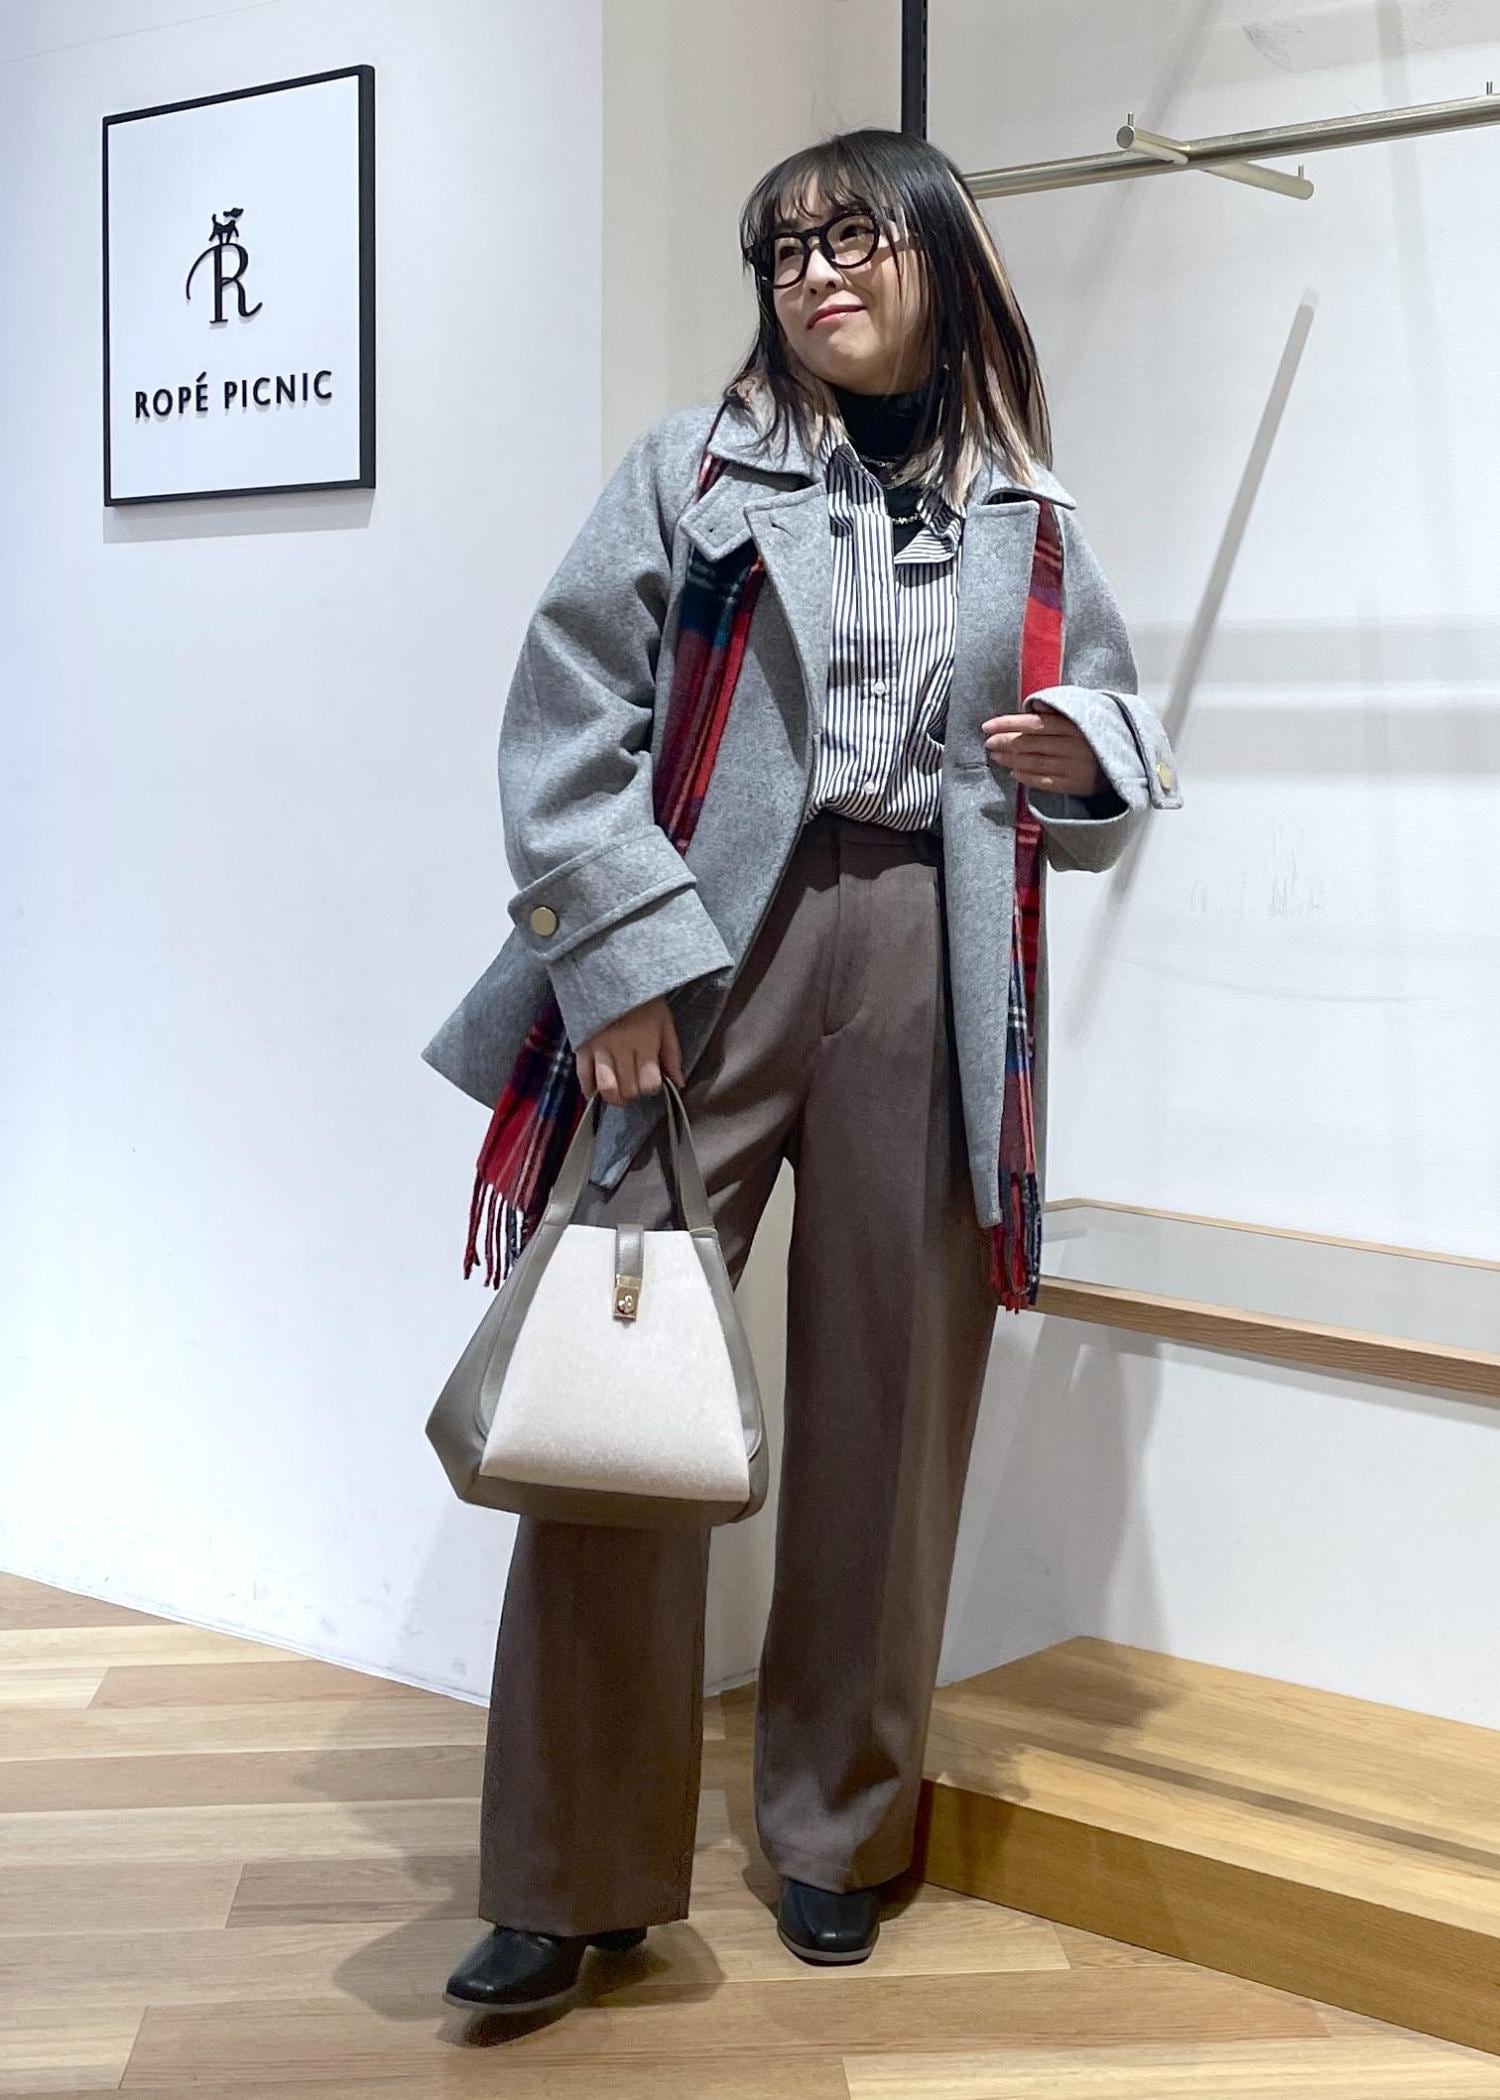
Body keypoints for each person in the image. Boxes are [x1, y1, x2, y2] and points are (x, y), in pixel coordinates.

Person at [426, 126, 1183, 2018]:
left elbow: (1114, 732)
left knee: (888, 1402)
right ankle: (568, 1875)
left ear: (941, 258)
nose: (816, 274)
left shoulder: (1027, 514)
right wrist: (615, 963)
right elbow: (566, 718)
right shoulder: (691, 471)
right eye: (785, 251)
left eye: (853, 239)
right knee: (614, 1388)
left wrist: (1086, 754)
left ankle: (838, 1826)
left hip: (931, 950)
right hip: (705, 949)